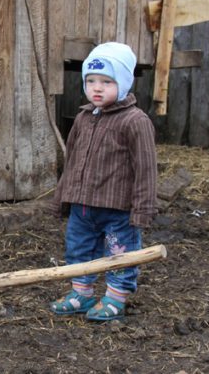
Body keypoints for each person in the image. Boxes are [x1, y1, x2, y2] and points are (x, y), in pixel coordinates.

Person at [48, 42, 157, 321]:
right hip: (82, 208)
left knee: (119, 254)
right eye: (91, 80)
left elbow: (146, 168)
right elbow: (71, 162)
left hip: (117, 210)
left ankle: (115, 297)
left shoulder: (135, 121)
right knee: (78, 249)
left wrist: (143, 209)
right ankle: (81, 293)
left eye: (106, 81)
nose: (97, 88)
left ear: (122, 83)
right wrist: (62, 198)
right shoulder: (84, 118)